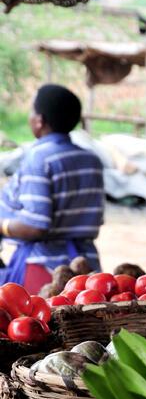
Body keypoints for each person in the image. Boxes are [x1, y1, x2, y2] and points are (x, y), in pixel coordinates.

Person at [0, 83, 104, 290]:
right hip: (87, 268)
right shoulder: (91, 160)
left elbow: (36, 225)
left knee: (38, 322)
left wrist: (2, 226)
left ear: (40, 121)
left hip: (45, 270)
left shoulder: (39, 158)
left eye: (32, 111)